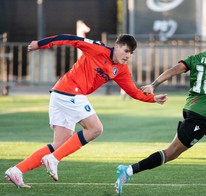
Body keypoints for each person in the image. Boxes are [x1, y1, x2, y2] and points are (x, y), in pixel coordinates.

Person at [115, 24, 206, 195]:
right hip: (200, 116)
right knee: (171, 153)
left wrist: (153, 84)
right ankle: (128, 171)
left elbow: (174, 70)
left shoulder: (197, 57)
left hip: (195, 110)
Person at [4, 34, 167, 188]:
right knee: (95, 129)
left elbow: (133, 92)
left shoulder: (121, 70)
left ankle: (16, 171)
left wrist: (153, 98)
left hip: (62, 95)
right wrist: (41, 44)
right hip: (69, 91)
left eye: (131, 53)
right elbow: (70, 39)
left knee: (60, 144)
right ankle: (53, 159)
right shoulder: (97, 48)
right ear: (116, 46)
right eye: (125, 51)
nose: (128, 55)